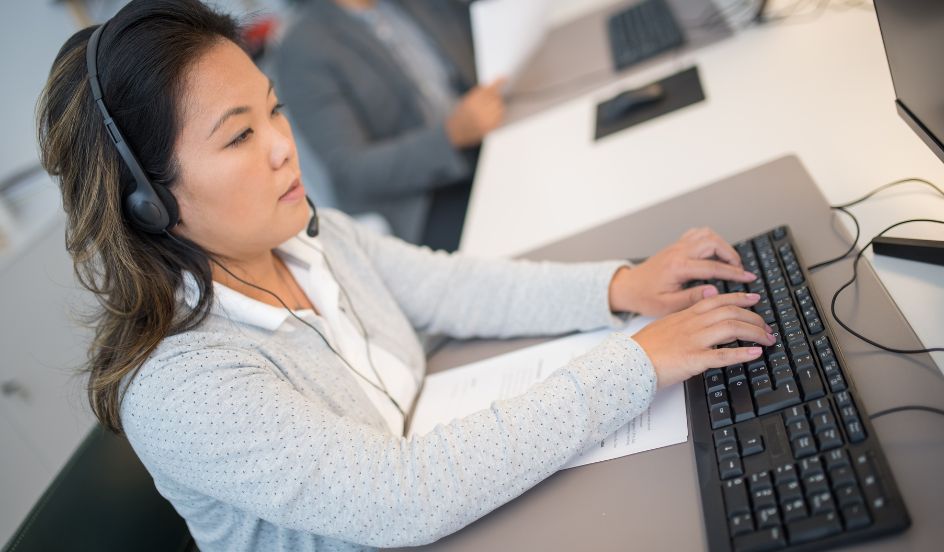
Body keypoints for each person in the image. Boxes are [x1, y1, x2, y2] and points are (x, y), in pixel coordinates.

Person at [37, 1, 773, 550]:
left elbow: (455, 287)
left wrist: (621, 286)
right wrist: (639, 361)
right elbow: (402, 497)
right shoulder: (183, 385)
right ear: (145, 197)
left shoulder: (299, 235)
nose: (283, 148)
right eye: (239, 135)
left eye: (274, 112)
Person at [275, 0, 504, 251]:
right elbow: (351, 168)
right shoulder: (304, 46)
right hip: (421, 203)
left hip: (485, 142)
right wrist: (451, 136)